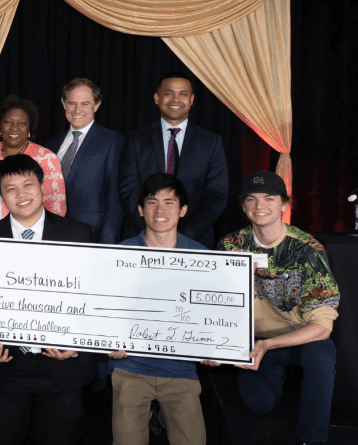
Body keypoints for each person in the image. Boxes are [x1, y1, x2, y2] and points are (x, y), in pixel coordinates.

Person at [0, 154, 97, 445]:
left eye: (28, 184)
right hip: (5, 363)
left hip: (61, 365)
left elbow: (93, 300)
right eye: (10, 188)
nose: (21, 194)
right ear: (1, 196)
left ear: (43, 186)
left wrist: (77, 343)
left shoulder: (78, 235)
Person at [217, 171, 340, 445]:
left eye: (269, 198)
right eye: (251, 199)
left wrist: (270, 345)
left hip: (300, 335)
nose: (259, 206)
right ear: (243, 206)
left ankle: (313, 438)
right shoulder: (230, 245)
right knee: (259, 404)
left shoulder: (307, 249)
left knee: (321, 356)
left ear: (285, 204)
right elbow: (217, 305)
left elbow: (323, 325)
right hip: (256, 337)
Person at [110, 173, 218, 445]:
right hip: (130, 367)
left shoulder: (203, 259)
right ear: (140, 209)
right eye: (152, 202)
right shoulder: (117, 256)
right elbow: (105, 311)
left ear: (183, 210)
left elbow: (215, 317)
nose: (160, 210)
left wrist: (218, 347)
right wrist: (106, 341)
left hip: (181, 371)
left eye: (169, 202)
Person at [120, 72, 228, 247]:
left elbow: (217, 195)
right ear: (157, 98)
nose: (175, 99)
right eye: (169, 93)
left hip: (195, 239)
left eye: (183, 94)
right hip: (142, 239)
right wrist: (153, 231)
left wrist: (183, 235)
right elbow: (128, 190)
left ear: (192, 99)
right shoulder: (136, 140)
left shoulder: (211, 142)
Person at [45, 78, 125, 244]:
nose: (77, 110)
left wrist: (107, 245)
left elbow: (115, 202)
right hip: (50, 234)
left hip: (91, 236)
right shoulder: (51, 144)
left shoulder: (113, 141)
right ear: (64, 103)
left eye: (85, 104)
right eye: (72, 103)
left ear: (96, 105)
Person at [0, 94, 66, 222]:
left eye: (22, 123)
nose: (14, 128)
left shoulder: (46, 158)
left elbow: (56, 206)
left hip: (29, 233)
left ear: (30, 128)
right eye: (8, 122)